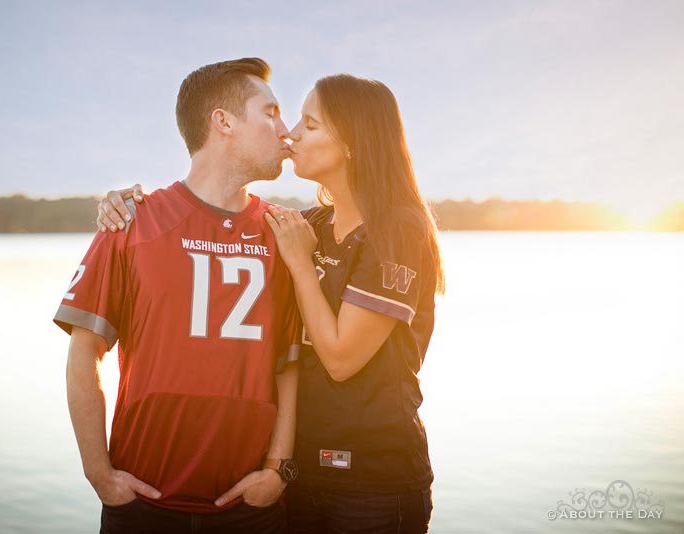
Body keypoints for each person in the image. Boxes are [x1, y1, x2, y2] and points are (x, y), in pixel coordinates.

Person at [99, 74, 444, 534]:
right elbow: (216, 208)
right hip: (298, 479)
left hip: (372, 487)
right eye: (290, 120)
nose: (291, 134)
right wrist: (125, 205)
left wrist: (301, 266)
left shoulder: (398, 229)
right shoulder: (310, 225)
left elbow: (341, 359)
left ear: (353, 143)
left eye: (310, 124)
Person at [55, 57, 301, 534]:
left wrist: (277, 470)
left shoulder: (283, 232)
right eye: (270, 113)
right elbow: (84, 352)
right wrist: (99, 473)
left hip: (250, 510)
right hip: (143, 504)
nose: (285, 130)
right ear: (223, 121)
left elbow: (288, 363)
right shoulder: (133, 222)